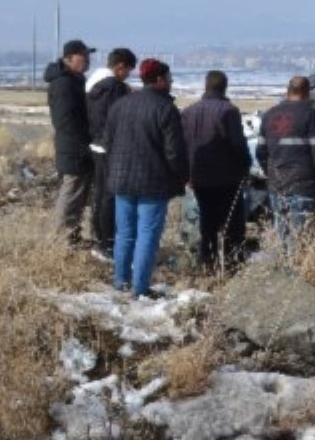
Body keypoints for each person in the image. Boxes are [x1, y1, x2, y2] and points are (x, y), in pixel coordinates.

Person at [103, 58, 188, 298]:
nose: (171, 83)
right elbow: (174, 152)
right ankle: (139, 288)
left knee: (125, 233)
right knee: (147, 236)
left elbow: (108, 141)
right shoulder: (165, 108)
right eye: (169, 78)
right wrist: (182, 176)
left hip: (121, 180)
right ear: (160, 80)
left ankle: (120, 282)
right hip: (153, 182)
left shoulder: (120, 105)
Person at [181, 70, 251, 269]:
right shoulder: (229, 111)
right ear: (224, 87)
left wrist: (185, 173)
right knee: (232, 223)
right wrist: (245, 165)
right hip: (226, 177)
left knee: (206, 221)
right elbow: (237, 144)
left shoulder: (188, 111)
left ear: (206, 86)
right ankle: (231, 263)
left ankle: (206, 261)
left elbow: (182, 145)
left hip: (198, 177)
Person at [257, 75, 315, 251]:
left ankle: (284, 272)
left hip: (276, 184)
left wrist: (270, 173)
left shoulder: (269, 115)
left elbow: (260, 152)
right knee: (300, 237)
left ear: (287, 92)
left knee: (282, 236)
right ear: (307, 93)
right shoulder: (310, 114)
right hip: (303, 184)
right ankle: (296, 274)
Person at [86, 47, 137, 257]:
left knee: (100, 195)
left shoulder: (94, 84)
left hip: (96, 143)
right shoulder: (113, 87)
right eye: (128, 71)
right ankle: (107, 242)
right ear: (120, 67)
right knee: (109, 196)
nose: (128, 75)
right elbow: (118, 116)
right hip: (110, 146)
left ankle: (100, 238)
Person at [44, 39, 94, 247]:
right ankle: (60, 239)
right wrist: (84, 144)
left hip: (76, 146)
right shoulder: (64, 84)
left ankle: (71, 236)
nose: (87, 61)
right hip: (73, 148)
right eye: (83, 57)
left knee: (78, 194)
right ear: (68, 59)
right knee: (71, 192)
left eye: (88, 56)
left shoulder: (74, 79)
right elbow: (65, 121)